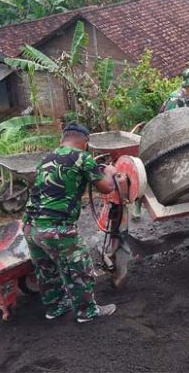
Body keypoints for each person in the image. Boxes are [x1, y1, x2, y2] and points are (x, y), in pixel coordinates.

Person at [23, 123, 119, 323]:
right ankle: (87, 312)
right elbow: (107, 188)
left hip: (31, 227)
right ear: (85, 142)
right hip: (57, 228)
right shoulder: (82, 157)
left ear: (62, 139)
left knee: (46, 270)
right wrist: (110, 170)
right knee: (79, 267)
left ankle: (55, 307)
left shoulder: (45, 159)